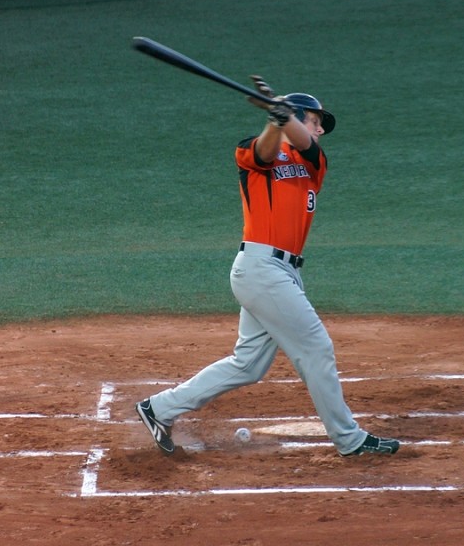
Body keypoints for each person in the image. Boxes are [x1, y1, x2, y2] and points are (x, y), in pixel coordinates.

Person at [136, 76, 400, 458]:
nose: (320, 129)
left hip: (283, 274)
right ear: (297, 116)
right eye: (315, 120)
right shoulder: (253, 152)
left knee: (248, 365)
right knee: (316, 348)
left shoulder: (314, 163)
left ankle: (158, 409)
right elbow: (263, 152)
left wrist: (284, 116)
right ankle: (350, 440)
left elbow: (305, 143)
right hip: (261, 269)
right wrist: (276, 119)